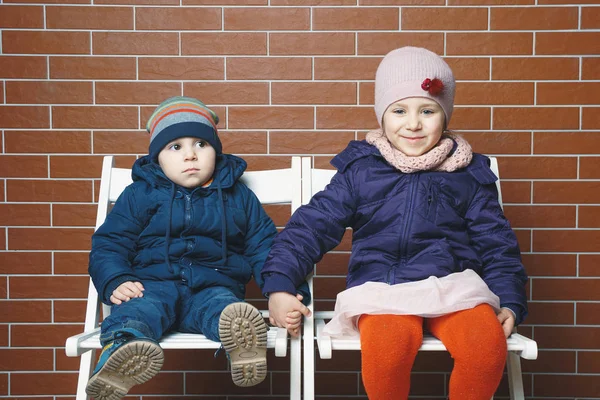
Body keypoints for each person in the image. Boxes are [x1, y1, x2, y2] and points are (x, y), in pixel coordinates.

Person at [262, 47, 528, 400]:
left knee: (485, 347)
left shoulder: (467, 175)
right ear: (382, 116)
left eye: (428, 110)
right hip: (382, 288)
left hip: (454, 288)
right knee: (388, 350)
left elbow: (497, 244)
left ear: (444, 117)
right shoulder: (361, 171)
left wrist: (510, 301)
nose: (413, 123)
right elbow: (310, 228)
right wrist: (280, 285)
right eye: (399, 110)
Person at [87, 96, 278, 398]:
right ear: (157, 158)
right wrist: (115, 279)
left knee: (223, 309)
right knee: (137, 311)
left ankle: (241, 343)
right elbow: (110, 242)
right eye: (176, 147)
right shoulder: (140, 195)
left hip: (213, 284)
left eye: (201, 145)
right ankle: (122, 350)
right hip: (151, 285)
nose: (190, 155)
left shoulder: (236, 196)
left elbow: (263, 246)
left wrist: (280, 289)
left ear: (215, 150)